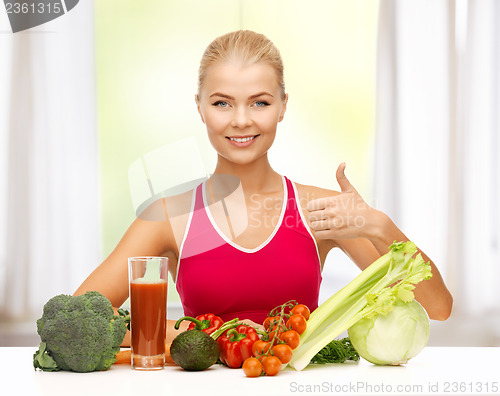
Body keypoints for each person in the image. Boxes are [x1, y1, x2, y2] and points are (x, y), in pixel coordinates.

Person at [74, 30, 453, 345]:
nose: (241, 120)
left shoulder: (320, 210)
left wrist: (379, 225)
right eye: (222, 103)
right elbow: (78, 318)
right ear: (200, 107)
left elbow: (437, 307)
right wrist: (189, 333)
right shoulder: (168, 218)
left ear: (283, 106)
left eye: (260, 102)